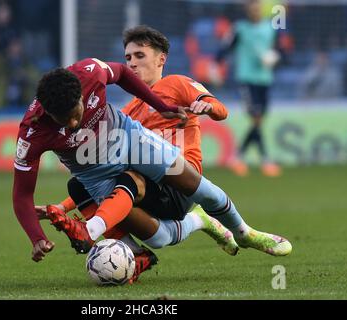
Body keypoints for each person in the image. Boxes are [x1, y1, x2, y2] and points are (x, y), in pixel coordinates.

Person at [13, 57, 292, 266]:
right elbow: (22, 194)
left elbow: (121, 73)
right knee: (158, 239)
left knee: (201, 189)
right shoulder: (32, 133)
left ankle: (243, 233)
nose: (74, 123)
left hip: (130, 139)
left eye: (76, 113)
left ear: (81, 95)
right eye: (65, 120)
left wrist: (163, 107)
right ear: (48, 112)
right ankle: (196, 222)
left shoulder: (91, 72)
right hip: (95, 172)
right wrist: (37, 237)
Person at [36, 26, 240, 282]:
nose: (131, 63)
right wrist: (61, 207)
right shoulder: (128, 113)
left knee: (131, 180)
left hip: (182, 181)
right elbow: (97, 178)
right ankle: (151, 246)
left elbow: (222, 111)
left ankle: (97, 231)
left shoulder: (178, 84)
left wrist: (207, 106)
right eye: (128, 58)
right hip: (149, 186)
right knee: (80, 185)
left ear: (161, 59)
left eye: (139, 55)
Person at [216, 0, 284, 177]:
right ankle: (265, 160)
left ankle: (237, 156)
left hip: (265, 79)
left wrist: (274, 58)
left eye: (257, 8)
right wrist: (216, 66)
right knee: (256, 117)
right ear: (247, 10)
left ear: (261, 9)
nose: (255, 11)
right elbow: (224, 49)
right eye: (252, 8)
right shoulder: (239, 28)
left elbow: (281, 51)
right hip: (246, 79)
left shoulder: (271, 28)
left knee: (259, 119)